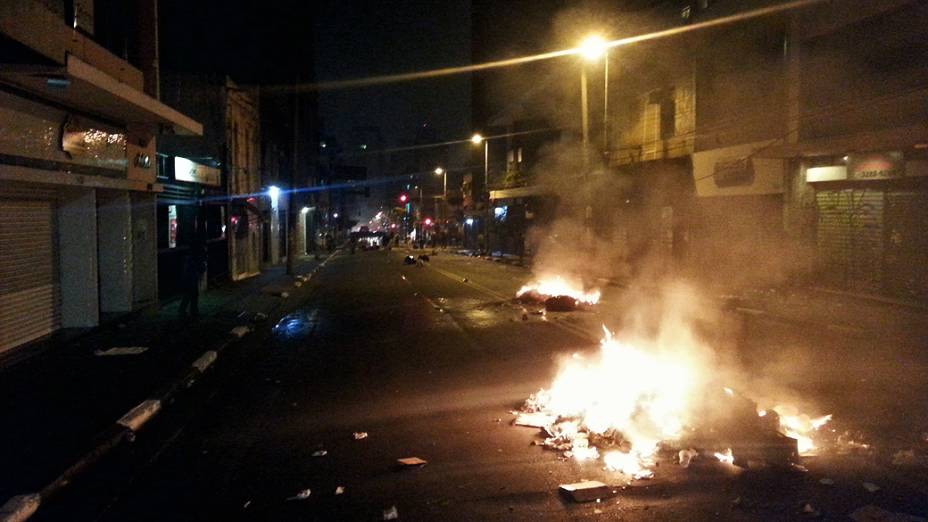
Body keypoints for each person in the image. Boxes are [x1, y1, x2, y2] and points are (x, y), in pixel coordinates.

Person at [179, 238, 207, 319]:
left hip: (190, 277)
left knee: (190, 294)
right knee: (191, 294)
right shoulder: (195, 257)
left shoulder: (191, 256)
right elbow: (200, 267)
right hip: (192, 277)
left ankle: (189, 311)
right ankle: (190, 311)